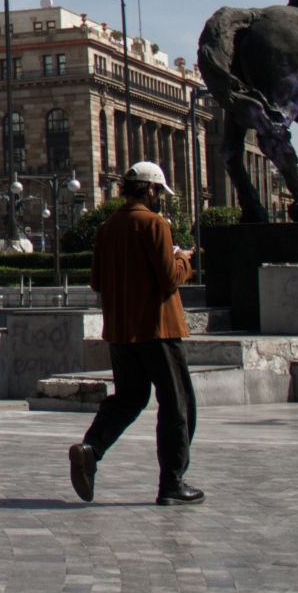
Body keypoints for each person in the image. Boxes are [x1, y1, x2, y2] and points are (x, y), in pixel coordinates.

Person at [67, 160, 200, 507]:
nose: (160, 200)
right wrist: (184, 260)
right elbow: (169, 278)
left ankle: (91, 448)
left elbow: (96, 281)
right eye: (160, 193)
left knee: (128, 399)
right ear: (152, 190)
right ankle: (172, 483)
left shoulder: (107, 226)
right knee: (177, 404)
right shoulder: (154, 224)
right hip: (158, 329)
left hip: (121, 333)